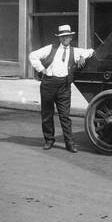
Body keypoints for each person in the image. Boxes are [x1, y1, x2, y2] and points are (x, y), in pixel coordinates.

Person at [29, 25, 94, 153]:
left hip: (64, 86)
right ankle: (49, 141)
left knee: (65, 116)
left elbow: (91, 51)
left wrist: (83, 57)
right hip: (48, 84)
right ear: (59, 38)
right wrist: (41, 69)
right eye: (63, 36)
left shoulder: (74, 51)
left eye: (67, 36)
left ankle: (70, 144)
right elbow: (32, 55)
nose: (65, 38)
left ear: (71, 37)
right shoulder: (50, 48)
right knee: (47, 115)